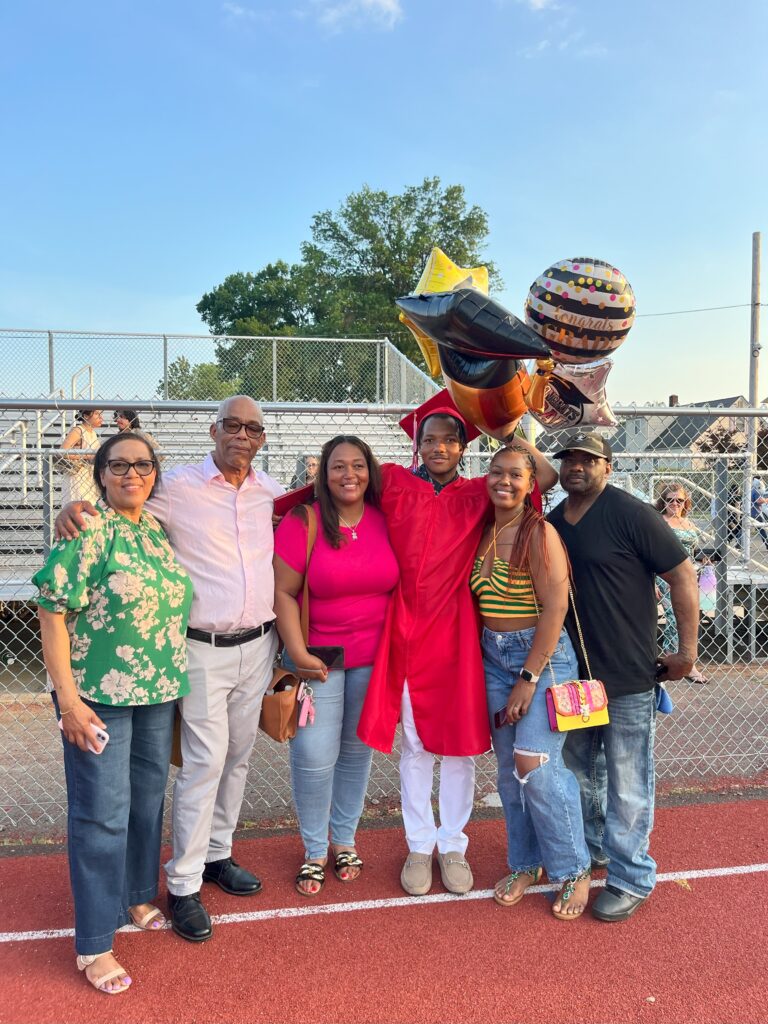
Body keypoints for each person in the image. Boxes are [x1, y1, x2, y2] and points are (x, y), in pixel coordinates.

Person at [54, 395, 283, 944]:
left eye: (252, 428)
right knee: (204, 762)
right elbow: (117, 513)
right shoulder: (174, 487)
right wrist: (73, 510)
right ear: (212, 430)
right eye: (231, 425)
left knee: (237, 759)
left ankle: (217, 856)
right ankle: (182, 884)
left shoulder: (270, 492)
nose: (241, 435)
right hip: (199, 648)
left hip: (258, 644)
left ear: (262, 438)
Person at [357, 391, 558, 897]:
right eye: (431, 439)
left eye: (450, 439)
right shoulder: (395, 482)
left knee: (460, 749)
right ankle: (419, 845)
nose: (439, 447)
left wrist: (501, 423)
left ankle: (453, 844)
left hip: (457, 636)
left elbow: (546, 480)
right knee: (416, 747)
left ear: (464, 447)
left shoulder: (479, 493)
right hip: (404, 630)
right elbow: (342, 487)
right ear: (418, 444)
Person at [34, 432, 193, 995]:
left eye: (143, 464)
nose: (132, 473)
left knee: (146, 803)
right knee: (100, 813)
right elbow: (51, 611)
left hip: (156, 693)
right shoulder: (88, 529)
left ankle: (134, 894)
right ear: (101, 474)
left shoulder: (156, 530)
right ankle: (95, 942)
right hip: (97, 695)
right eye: (119, 464)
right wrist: (69, 701)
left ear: (155, 473)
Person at [547, 432, 699, 922]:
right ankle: (596, 850)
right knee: (579, 774)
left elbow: (683, 575)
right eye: (568, 459)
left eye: (588, 459)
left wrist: (687, 653)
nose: (576, 466)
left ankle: (632, 876)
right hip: (573, 678)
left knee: (628, 782)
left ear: (607, 467)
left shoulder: (633, 514)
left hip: (630, 675)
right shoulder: (551, 524)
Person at [273, 436, 399, 896]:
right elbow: (284, 592)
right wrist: (298, 652)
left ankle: (344, 839)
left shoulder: (386, 521)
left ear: (371, 471)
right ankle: (313, 848)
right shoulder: (302, 522)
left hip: (374, 656)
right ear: (323, 475)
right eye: (338, 467)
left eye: (359, 465)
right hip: (319, 658)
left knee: (354, 752)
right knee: (313, 756)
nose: (350, 475)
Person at [473, 446, 591, 919]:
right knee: (508, 773)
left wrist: (528, 677)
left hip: (541, 661)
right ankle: (526, 862)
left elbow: (556, 610)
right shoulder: (481, 530)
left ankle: (573, 868)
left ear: (532, 485)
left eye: (516, 475)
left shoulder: (538, 533)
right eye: (496, 472)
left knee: (535, 765)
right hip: (492, 658)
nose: (504, 481)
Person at [655, 482, 707, 683]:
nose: (675, 504)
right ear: (663, 502)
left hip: (689, 575)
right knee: (673, 614)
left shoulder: (688, 523)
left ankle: (682, 656)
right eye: (670, 500)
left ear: (686, 502)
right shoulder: (660, 522)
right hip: (665, 574)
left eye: (679, 500)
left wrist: (705, 560)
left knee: (691, 616)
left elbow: (694, 552)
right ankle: (677, 657)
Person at [60, 409, 103, 505]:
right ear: (86, 416)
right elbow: (62, 452)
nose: (101, 417)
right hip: (78, 475)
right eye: (97, 414)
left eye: (101, 414)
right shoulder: (78, 430)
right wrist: (87, 455)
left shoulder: (93, 433)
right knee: (79, 506)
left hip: (90, 476)